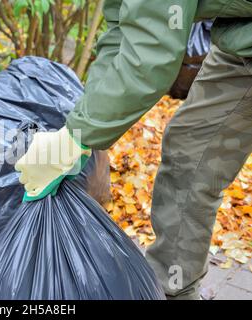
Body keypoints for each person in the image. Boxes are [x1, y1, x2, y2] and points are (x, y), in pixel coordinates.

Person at [15, 0, 252, 299]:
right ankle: (171, 290)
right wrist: (81, 129)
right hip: (242, 40)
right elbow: (120, 33)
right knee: (189, 152)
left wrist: (74, 138)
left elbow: (150, 57)